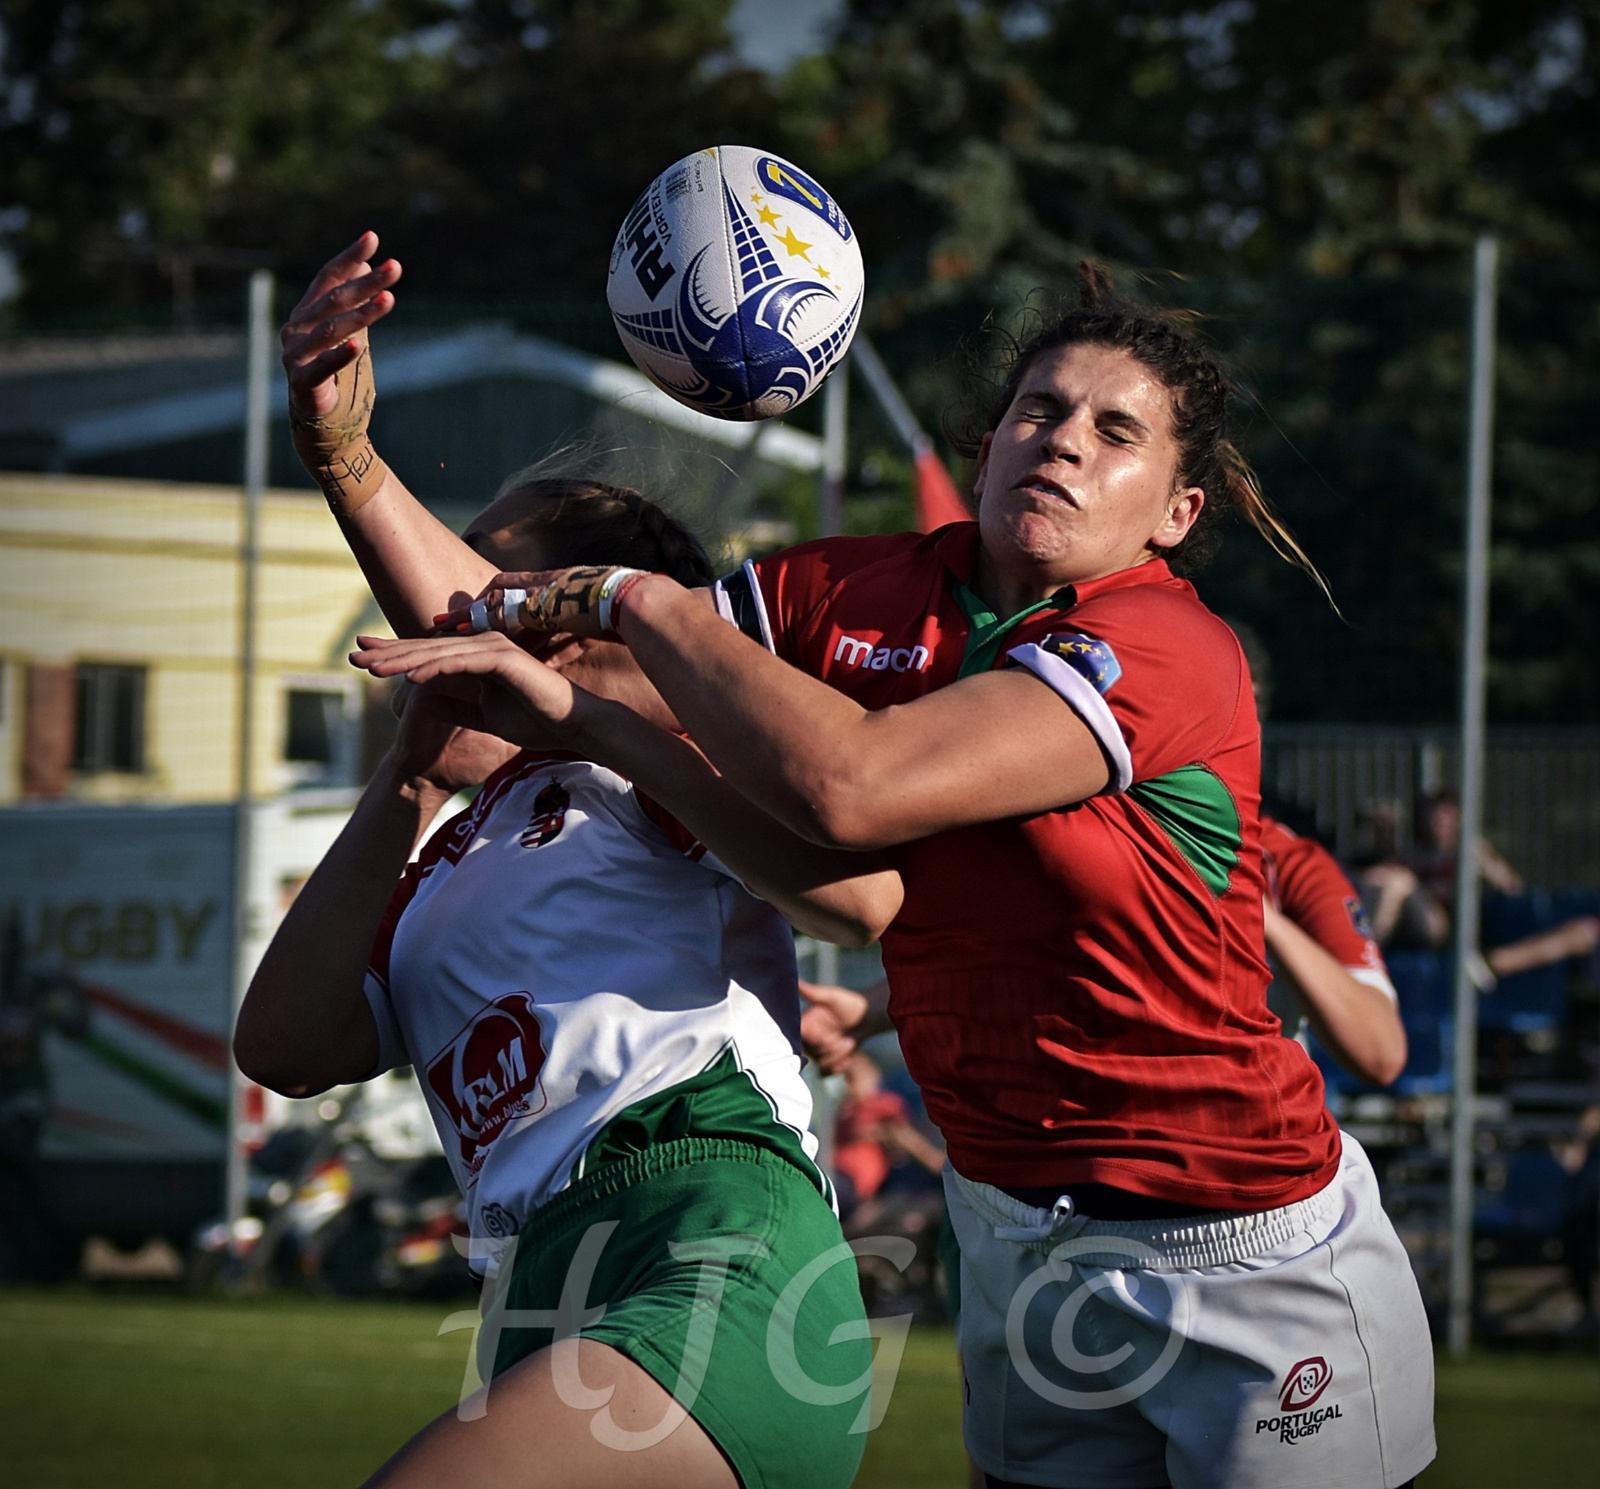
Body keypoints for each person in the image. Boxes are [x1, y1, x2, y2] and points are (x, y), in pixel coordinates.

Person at [308, 232, 1435, 1487]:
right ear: (986, 445)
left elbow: (855, 787)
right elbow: (526, 651)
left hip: (1243, 1242)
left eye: (1116, 433)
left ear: (1176, 513)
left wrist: (643, 603)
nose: (1062, 439)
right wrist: (347, 458)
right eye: (1037, 409)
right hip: (1013, 1232)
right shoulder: (849, 594)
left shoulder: (1167, 647)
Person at [238, 421, 908, 1480]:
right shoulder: (445, 858)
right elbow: (282, 1045)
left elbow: (864, 897)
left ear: (578, 626)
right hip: (538, 1284)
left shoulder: (649, 765)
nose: (452, 609)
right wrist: (411, 775)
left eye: (491, 577)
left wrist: (351, 459)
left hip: (709, 1236)